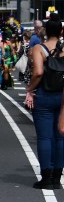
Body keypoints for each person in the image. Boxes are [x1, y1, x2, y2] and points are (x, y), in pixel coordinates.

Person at [31, 15, 64, 188]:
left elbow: (38, 73)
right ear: (61, 31)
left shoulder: (39, 48)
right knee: (60, 137)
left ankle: (46, 177)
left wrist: (30, 89)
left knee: (45, 137)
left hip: (45, 95)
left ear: (45, 31)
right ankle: (58, 177)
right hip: (62, 96)